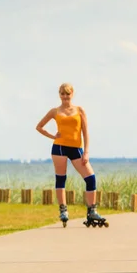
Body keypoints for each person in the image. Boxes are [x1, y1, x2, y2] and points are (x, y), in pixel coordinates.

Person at [35, 83, 108, 228]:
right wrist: (52, 136)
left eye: (67, 94)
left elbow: (85, 132)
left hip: (76, 150)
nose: (65, 97)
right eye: (62, 94)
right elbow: (39, 127)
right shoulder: (55, 111)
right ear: (59, 95)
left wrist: (86, 152)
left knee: (91, 178)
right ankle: (63, 210)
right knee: (61, 178)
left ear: (72, 94)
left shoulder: (79, 110)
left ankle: (92, 211)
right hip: (59, 148)